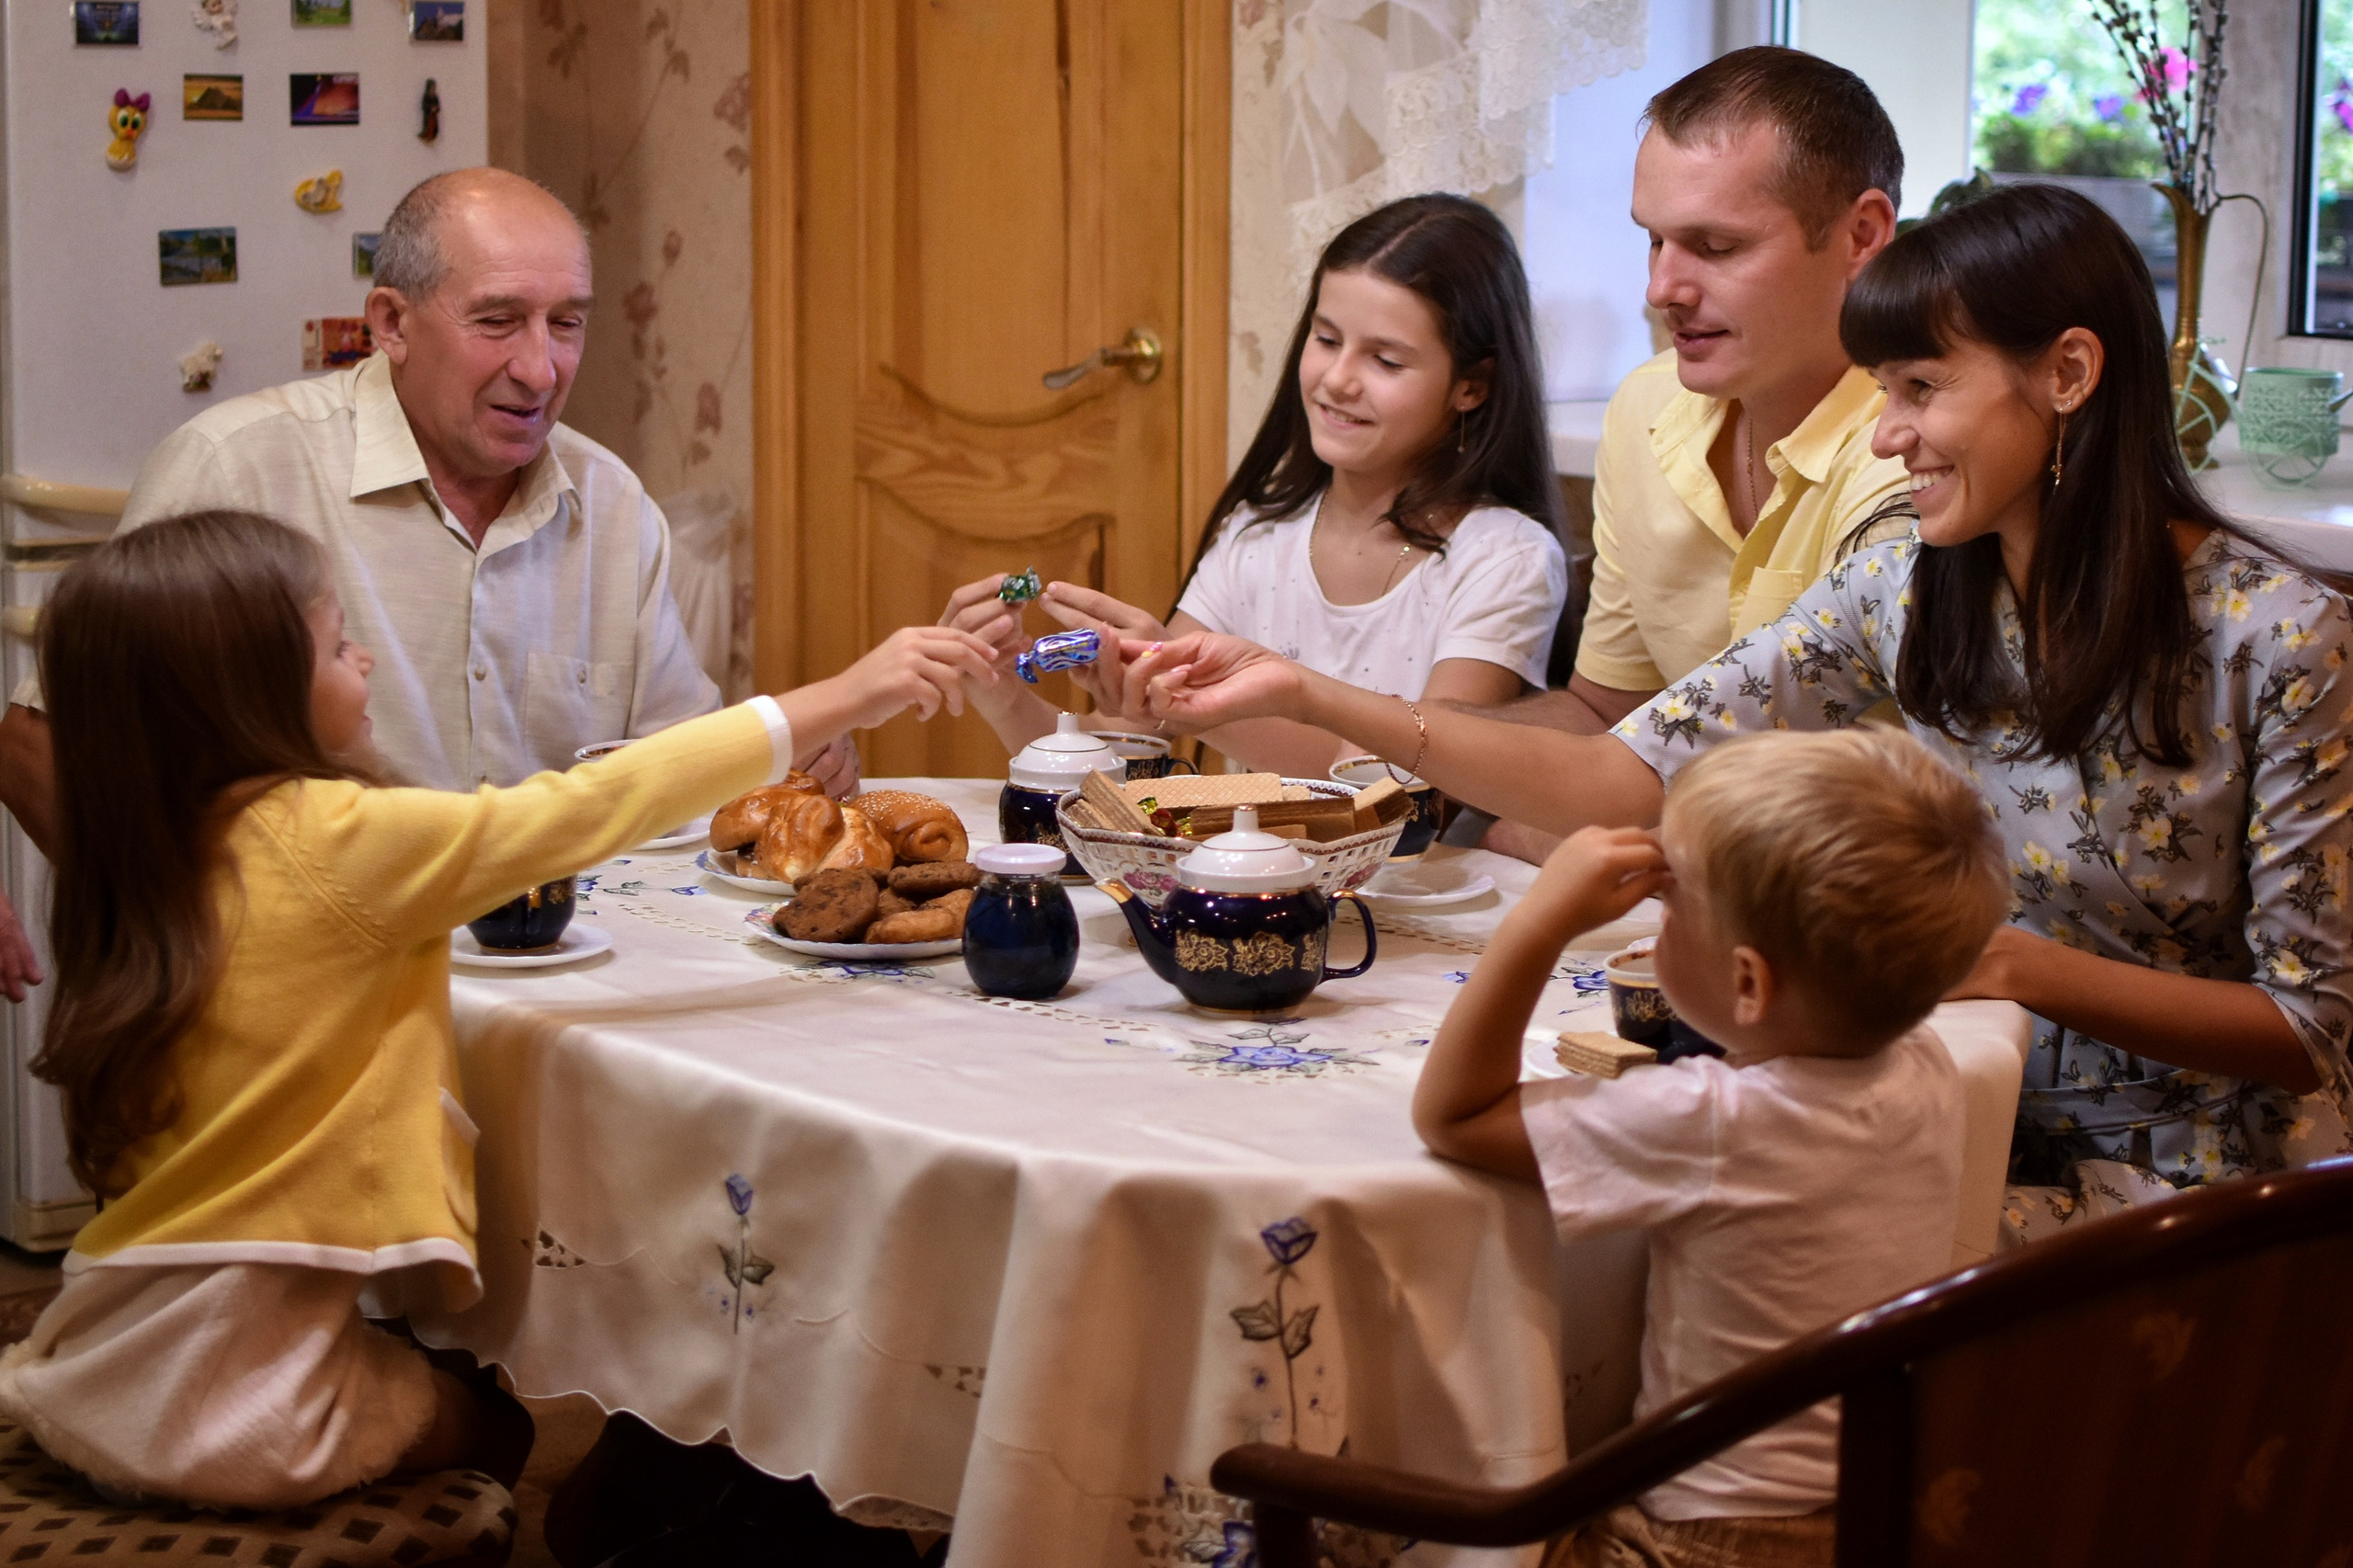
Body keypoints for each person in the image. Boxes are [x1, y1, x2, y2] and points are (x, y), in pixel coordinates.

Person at [1120, 183, 2353, 1232]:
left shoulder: (2282, 637)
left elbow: (2313, 1024)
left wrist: (2020, 968)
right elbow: (1626, 768)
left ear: (2070, 373)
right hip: (1925, 1109)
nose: (1888, 437)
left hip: (2182, 1199)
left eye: (1921, 386)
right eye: (1883, 390)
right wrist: (1304, 692)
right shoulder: (1908, 590)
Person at [0, 510, 993, 1509]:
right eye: (338, 644)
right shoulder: (333, 842)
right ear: (246, 697)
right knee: (495, 1423)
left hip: (106, 1349)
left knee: (435, 1367)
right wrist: (841, 696)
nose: (367, 657)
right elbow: (582, 805)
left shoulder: (137, 848)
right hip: (240, 1405)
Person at [0, 166, 855, 857]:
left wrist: (781, 770)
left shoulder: (612, 504)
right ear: (390, 323)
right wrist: (189, 950)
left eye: (566, 324)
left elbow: (676, 773)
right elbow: (39, 745)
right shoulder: (240, 469)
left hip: (556, 986)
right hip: (315, 1007)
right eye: (498, 321)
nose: (541, 368)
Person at [1415, 728, 2006, 1565]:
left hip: (1706, 1540)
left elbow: (1455, 1117)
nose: (1654, 919)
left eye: (1666, 905)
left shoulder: (1715, 1123)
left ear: (1748, 984)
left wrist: (1540, 918)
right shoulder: (1926, 1064)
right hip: (1873, 1509)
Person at [1447, 47, 1913, 860]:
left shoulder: (1918, 450)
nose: (1663, 288)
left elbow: (1905, 813)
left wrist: (1540, 830)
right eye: (1654, 242)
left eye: (1716, 246)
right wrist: (1368, 744)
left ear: (1862, 235)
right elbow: (1603, 712)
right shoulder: (1650, 404)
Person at [938, 193, 1564, 776]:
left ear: (1472, 386)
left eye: (1386, 360)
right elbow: (1113, 761)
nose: (1338, 379)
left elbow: (1403, 786)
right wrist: (1001, 695)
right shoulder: (1257, 539)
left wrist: (1204, 703)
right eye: (1326, 339)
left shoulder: (1505, 560)